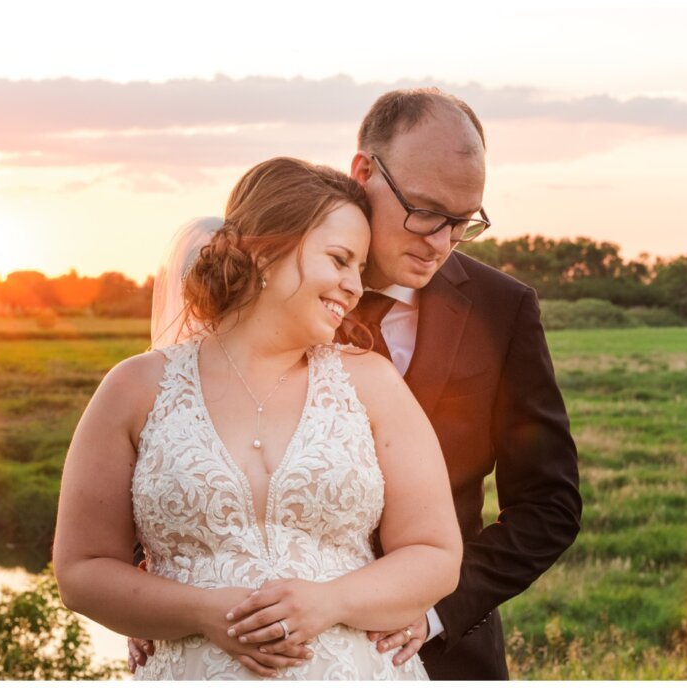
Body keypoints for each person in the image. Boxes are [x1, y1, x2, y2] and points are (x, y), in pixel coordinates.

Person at [130, 88, 583, 680]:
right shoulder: (255, 278)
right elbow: (173, 447)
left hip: (438, 657)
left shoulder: (503, 310)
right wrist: (158, 586)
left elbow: (550, 504)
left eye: (463, 222)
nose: (441, 242)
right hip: (241, 652)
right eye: (424, 211)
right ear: (365, 170)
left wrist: (434, 611)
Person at [54, 157, 463, 679]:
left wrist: (329, 602)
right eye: (339, 260)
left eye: (359, 268)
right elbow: (81, 571)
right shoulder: (134, 388)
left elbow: (435, 553)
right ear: (267, 251)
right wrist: (204, 612)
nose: (355, 287)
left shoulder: (373, 384)